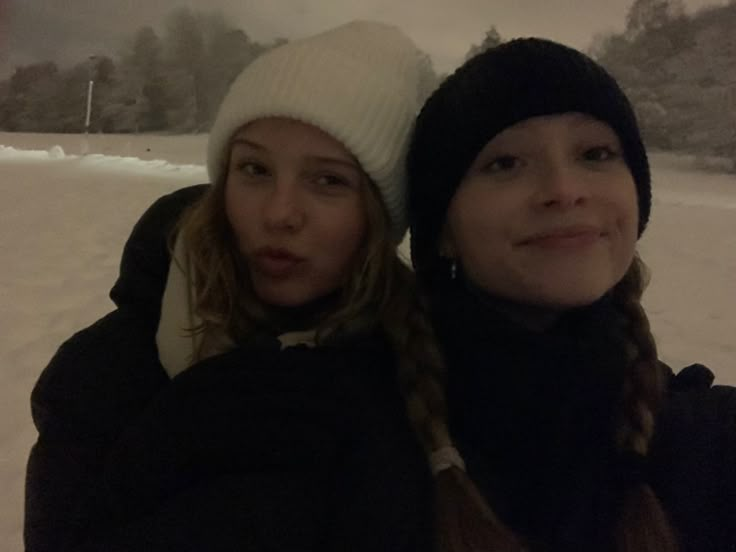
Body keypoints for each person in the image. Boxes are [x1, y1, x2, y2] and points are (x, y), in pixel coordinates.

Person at [24, 21, 444, 551]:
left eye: (329, 180)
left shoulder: (422, 381)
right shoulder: (104, 376)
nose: (280, 213)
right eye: (254, 169)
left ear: (380, 216)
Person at [406, 38, 736, 551]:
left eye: (595, 153)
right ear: (442, 230)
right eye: (506, 163)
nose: (564, 189)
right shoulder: (334, 424)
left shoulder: (706, 441)